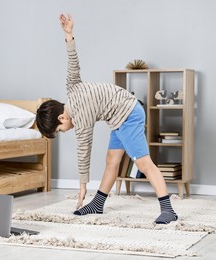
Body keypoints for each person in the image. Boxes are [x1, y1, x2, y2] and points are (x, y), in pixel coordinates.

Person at [36, 14, 178, 224]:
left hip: (128, 114)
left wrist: (82, 186)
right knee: (112, 160)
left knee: (144, 163)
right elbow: (73, 63)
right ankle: (98, 203)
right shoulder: (72, 89)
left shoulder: (81, 117)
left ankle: (168, 209)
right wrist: (69, 35)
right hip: (119, 115)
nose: (64, 131)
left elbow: (83, 151)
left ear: (61, 116)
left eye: (60, 129)